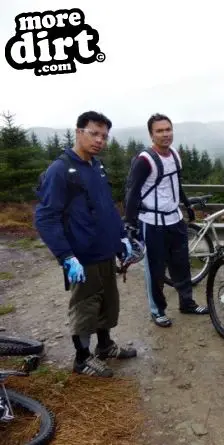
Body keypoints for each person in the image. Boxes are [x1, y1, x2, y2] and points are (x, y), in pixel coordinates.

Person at [34, 111, 137, 378]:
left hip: (104, 250)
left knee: (107, 301)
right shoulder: (61, 170)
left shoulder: (96, 166)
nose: (100, 140)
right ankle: (82, 359)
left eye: (104, 135)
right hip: (82, 255)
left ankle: (105, 346)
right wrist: (66, 256)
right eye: (94, 133)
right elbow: (46, 217)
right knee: (85, 305)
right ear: (79, 132)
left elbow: (106, 208)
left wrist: (121, 237)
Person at [124, 113, 208, 328]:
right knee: (156, 270)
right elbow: (132, 193)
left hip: (175, 220)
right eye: (159, 131)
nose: (165, 134)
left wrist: (187, 205)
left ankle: (186, 303)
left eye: (168, 129)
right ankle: (157, 310)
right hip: (152, 223)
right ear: (151, 134)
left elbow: (176, 185)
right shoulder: (144, 160)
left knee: (182, 265)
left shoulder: (175, 155)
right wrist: (130, 225)